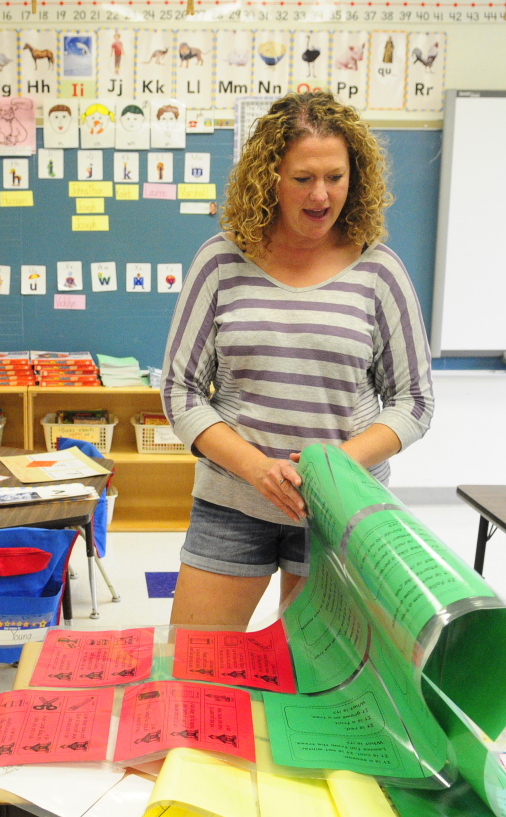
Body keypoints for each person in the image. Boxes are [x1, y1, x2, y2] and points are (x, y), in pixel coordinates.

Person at [161, 92, 434, 629]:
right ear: (271, 178)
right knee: (197, 668)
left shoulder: (380, 270)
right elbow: (180, 392)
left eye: (335, 176)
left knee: (315, 687)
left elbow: (414, 403)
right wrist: (259, 470)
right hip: (232, 503)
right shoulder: (221, 260)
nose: (321, 194)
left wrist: (329, 469)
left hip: (342, 508)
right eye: (303, 178)